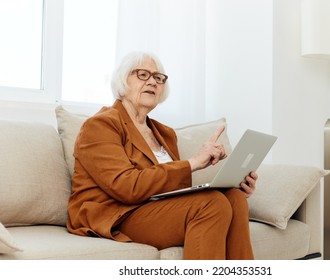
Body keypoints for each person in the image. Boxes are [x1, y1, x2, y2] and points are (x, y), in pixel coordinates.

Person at [66, 51, 258, 260]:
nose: (153, 82)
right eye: (142, 75)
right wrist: (192, 163)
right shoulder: (101, 124)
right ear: (122, 80)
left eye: (158, 78)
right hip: (116, 213)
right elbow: (126, 187)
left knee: (234, 198)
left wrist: (228, 185)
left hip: (154, 208)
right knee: (211, 204)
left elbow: (171, 189)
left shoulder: (164, 133)